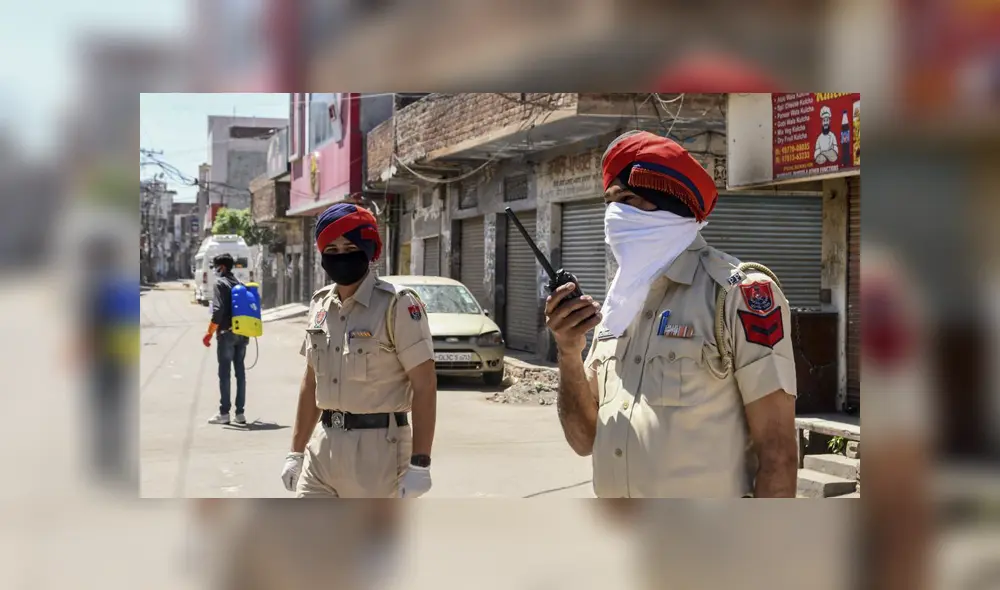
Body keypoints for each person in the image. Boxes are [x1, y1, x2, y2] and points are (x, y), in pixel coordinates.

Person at [545, 130, 799, 498]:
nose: (615, 216)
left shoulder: (737, 295)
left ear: (670, 205)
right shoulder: (618, 307)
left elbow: (778, 453)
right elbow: (584, 441)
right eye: (610, 203)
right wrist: (568, 352)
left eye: (628, 200)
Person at [280, 202, 438, 498]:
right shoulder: (319, 305)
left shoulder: (396, 304)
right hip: (323, 449)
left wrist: (420, 463)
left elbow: (425, 385)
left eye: (349, 247)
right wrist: (296, 452)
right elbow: (311, 382)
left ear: (368, 250)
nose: (341, 256)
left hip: (379, 455)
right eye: (332, 249)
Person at [203, 252, 250, 426]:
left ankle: (224, 413)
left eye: (216, 267)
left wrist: (209, 333)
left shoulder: (220, 284)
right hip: (243, 333)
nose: (215, 270)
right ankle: (240, 413)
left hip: (226, 334)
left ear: (221, 267)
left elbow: (218, 310)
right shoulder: (239, 284)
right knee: (240, 373)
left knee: (224, 374)